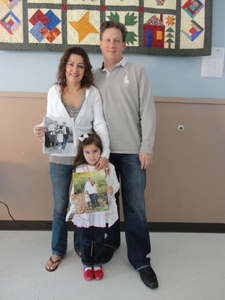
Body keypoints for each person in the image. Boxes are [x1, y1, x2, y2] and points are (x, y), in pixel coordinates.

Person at [93, 21, 158, 289]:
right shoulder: (91, 76)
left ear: (124, 44)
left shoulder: (138, 72)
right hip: (101, 155)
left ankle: (140, 259)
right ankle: (109, 243)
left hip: (132, 152)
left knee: (135, 208)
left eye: (117, 40)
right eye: (107, 40)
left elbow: (148, 112)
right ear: (100, 43)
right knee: (104, 205)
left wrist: (147, 147)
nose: (111, 44)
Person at [33, 46, 110, 272]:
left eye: (80, 65)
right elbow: (51, 121)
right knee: (60, 207)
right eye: (70, 64)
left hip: (85, 161)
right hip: (58, 159)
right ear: (64, 66)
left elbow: (100, 124)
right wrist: (40, 129)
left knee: (83, 206)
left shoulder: (92, 92)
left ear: (85, 69)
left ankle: (80, 247)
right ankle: (57, 250)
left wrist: (104, 155)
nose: (74, 69)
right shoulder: (54, 91)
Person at [66, 133, 120, 281]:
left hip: (100, 213)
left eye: (95, 151)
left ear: (101, 151)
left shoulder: (110, 167)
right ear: (82, 153)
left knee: (98, 239)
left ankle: (97, 263)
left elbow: (116, 184)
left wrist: (112, 189)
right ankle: (86, 264)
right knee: (84, 239)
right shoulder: (80, 169)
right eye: (87, 152)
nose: (91, 156)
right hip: (85, 214)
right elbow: (75, 189)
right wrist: (73, 197)